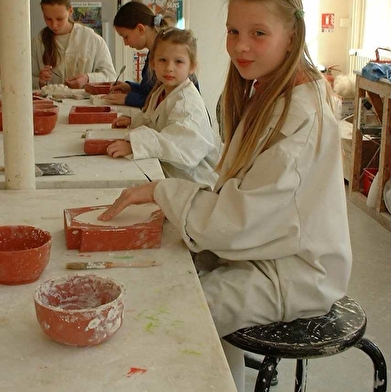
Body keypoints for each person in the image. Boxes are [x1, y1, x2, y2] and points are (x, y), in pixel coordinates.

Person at [98, 1, 352, 391]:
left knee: (169, 311)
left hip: (293, 272)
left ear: (292, 37)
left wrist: (162, 191)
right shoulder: (266, 90)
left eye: (258, 33)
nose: (240, 47)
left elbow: (235, 223)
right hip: (262, 247)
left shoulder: (300, 117)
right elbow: (238, 202)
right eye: (233, 31)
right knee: (161, 268)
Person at [106, 27, 220, 189]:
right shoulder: (162, 92)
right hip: (172, 176)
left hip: (196, 184)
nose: (169, 68)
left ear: (192, 66)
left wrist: (135, 145)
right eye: (162, 60)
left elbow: (179, 144)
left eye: (178, 61)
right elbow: (156, 121)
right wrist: (135, 120)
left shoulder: (188, 104)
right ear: (152, 63)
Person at [104, 1, 200, 109]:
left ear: (140, 29)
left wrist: (127, 98)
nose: (125, 43)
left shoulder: (165, 57)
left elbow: (162, 101)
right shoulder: (153, 54)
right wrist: (130, 87)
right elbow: (151, 91)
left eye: (125, 36)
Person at [31, 0, 116, 89]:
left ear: (70, 11)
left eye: (60, 19)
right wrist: (40, 81)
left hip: (84, 101)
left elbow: (110, 76)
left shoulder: (92, 39)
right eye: (48, 19)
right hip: (51, 101)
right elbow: (23, 81)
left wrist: (87, 78)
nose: (54, 25)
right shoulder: (37, 43)